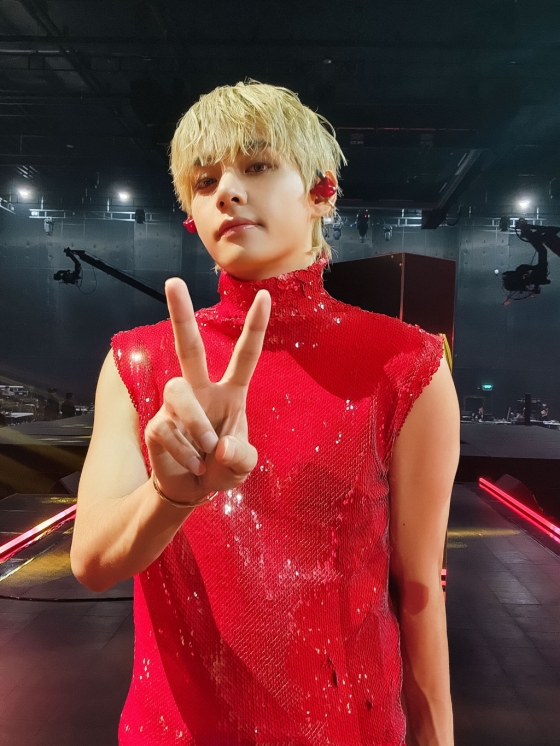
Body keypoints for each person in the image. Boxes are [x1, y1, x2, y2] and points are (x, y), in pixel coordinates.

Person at [70, 81, 460, 746]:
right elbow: (92, 561)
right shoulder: (138, 363)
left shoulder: (406, 365)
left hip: (351, 728)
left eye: (255, 166)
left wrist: (438, 736)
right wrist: (171, 495)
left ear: (320, 191)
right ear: (192, 216)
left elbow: (420, 587)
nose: (227, 190)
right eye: (205, 180)